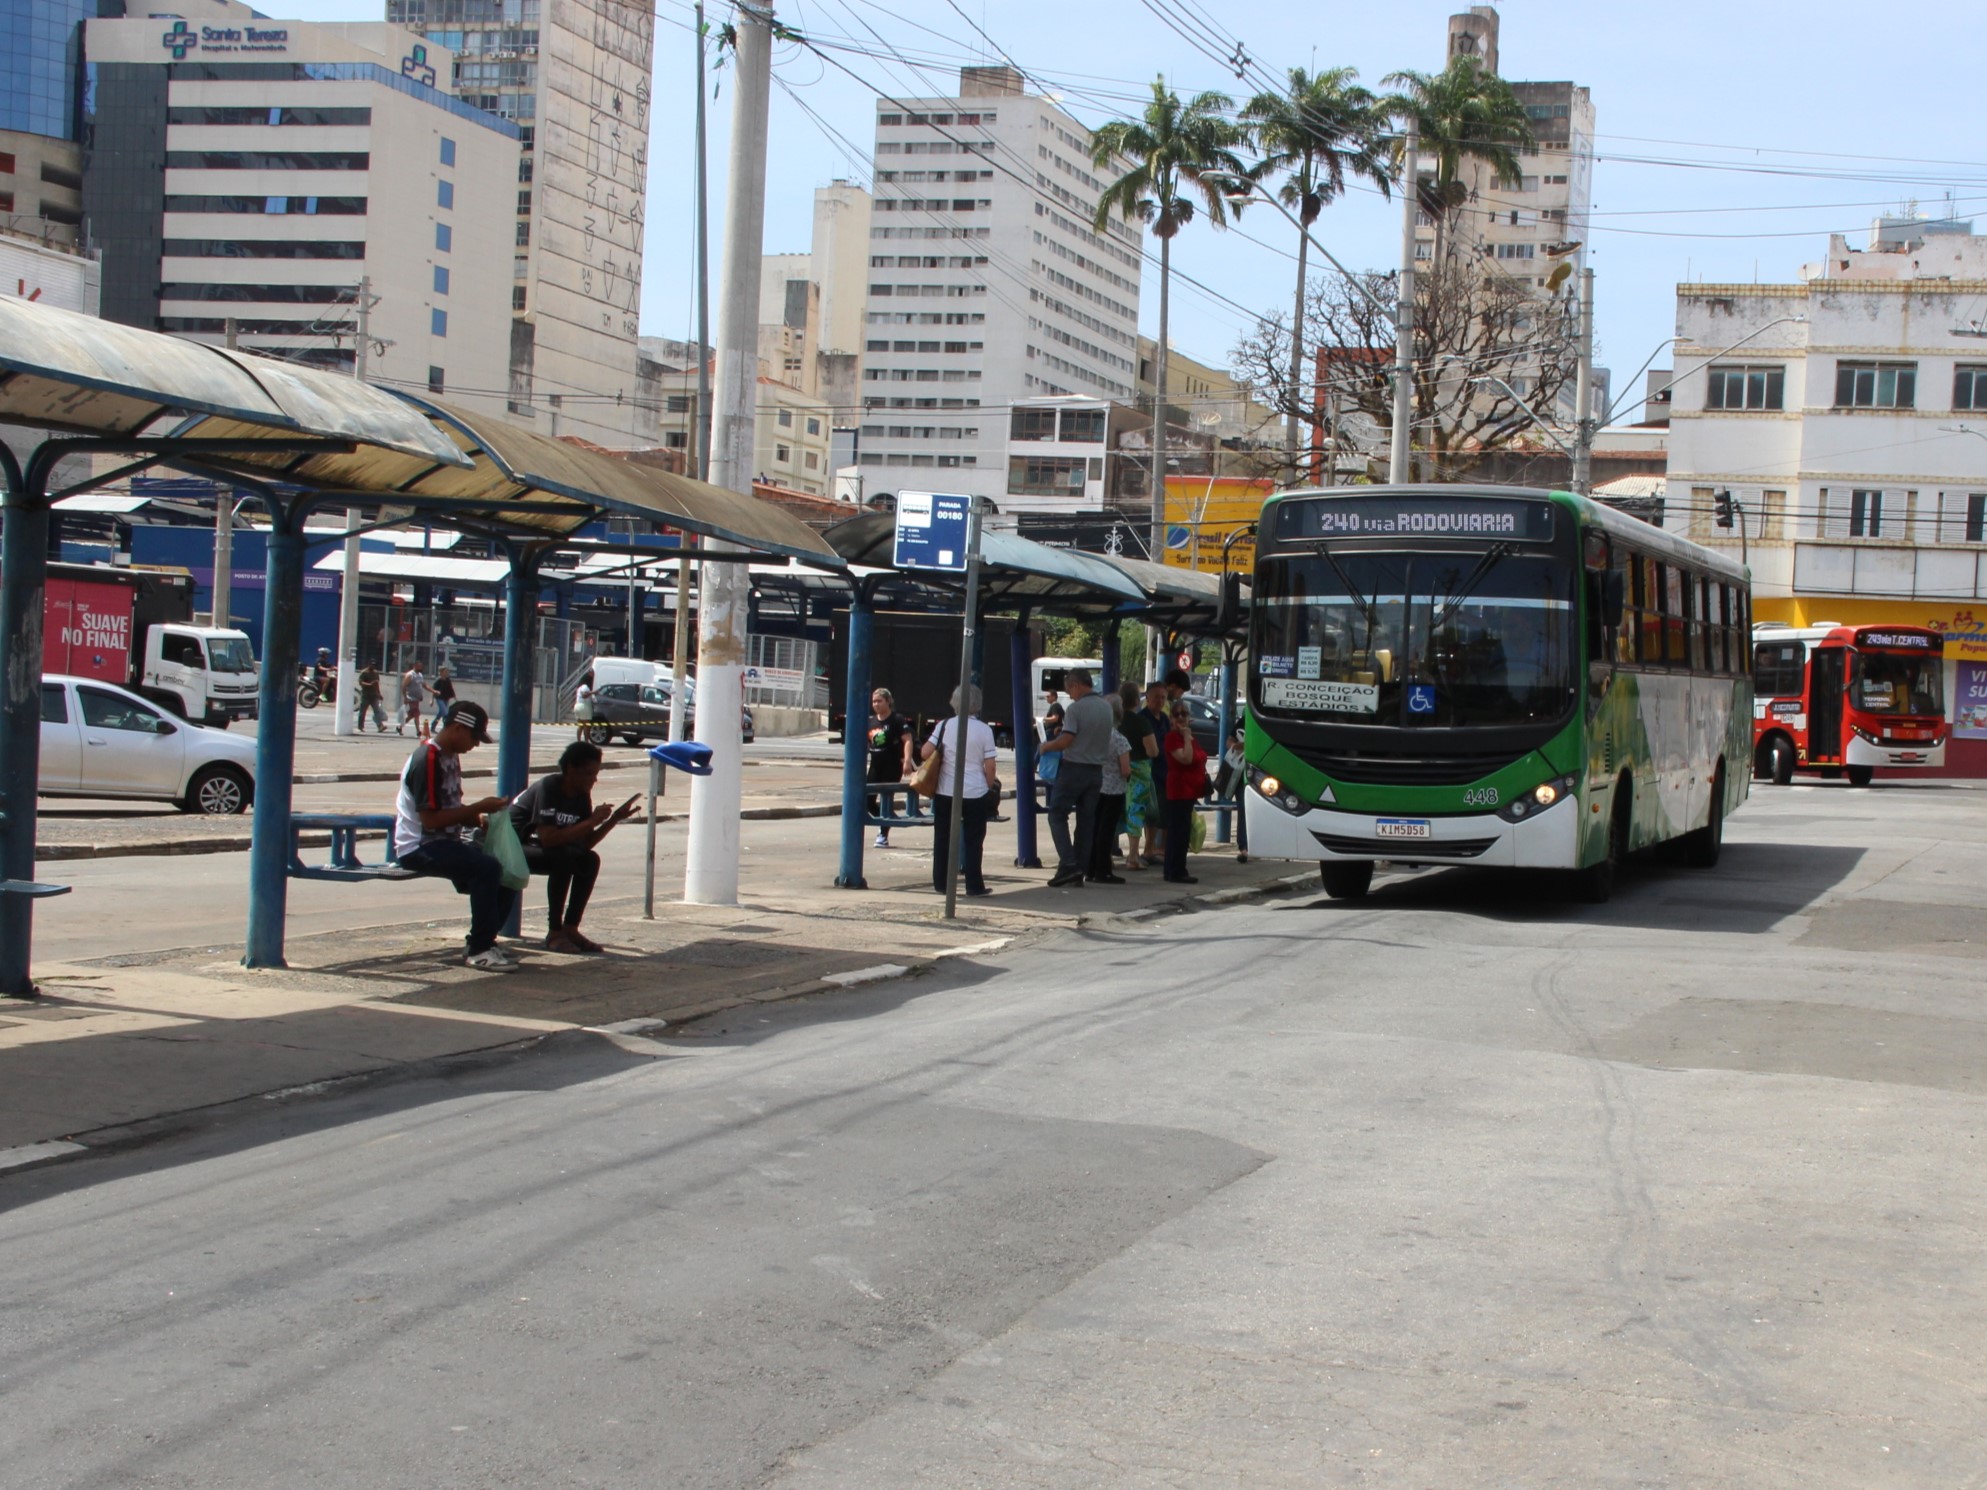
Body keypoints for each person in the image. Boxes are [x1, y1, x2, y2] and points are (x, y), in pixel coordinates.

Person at [392, 699, 517, 970]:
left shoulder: (450, 757)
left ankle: (484, 940)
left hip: (446, 842)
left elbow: (451, 807)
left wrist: (478, 819)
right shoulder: (428, 759)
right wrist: (478, 807)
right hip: (420, 846)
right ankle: (480, 949)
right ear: (458, 728)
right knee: (486, 869)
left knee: (507, 871)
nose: (475, 745)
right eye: (474, 738)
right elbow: (431, 820)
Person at [510, 739, 636, 955]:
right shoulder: (549, 787)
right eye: (589, 773)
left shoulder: (581, 795)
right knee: (563, 857)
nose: (594, 779)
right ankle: (554, 931)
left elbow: (584, 844)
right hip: (513, 845)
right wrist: (591, 821)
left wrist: (613, 820)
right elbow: (548, 839)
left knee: (589, 859)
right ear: (571, 769)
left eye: (596, 774)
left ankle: (571, 927)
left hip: (547, 848)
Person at [918, 683, 998, 897]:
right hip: (975, 791)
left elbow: (925, 752)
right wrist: (988, 785)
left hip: (946, 790)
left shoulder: (944, 725)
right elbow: (990, 766)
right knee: (974, 840)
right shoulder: (985, 730)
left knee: (943, 837)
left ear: (954, 702)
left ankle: (941, 883)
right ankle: (974, 885)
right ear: (977, 704)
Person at [1038, 667, 1113, 888]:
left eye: (1069, 690)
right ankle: (1078, 869)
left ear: (1076, 685)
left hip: (1074, 769)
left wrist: (1046, 746)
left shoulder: (1075, 709)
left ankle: (1069, 864)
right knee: (1086, 821)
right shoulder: (1106, 708)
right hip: (1096, 771)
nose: (1069, 695)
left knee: (1057, 814)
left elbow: (1066, 741)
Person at [1162, 700, 1210, 884]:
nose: (1181, 718)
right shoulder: (1173, 738)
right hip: (1179, 790)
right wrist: (1186, 737)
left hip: (1190, 791)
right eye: (1177, 714)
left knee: (1182, 831)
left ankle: (1175, 869)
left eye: (1184, 714)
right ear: (1171, 718)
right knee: (1178, 832)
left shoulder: (1189, 737)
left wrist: (1188, 737)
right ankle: (1176, 871)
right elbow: (1186, 758)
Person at [1087, 695, 1133, 884]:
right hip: (1114, 791)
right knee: (1106, 832)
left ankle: (1090, 868)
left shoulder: (1095, 736)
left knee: (1094, 828)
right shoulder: (1119, 739)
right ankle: (1103, 870)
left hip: (1096, 787)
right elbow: (1125, 769)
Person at [864, 686, 915, 848]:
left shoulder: (897, 720)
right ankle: (886, 821)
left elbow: (907, 740)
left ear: (888, 701)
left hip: (892, 765)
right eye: (874, 701)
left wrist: (907, 761)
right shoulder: (870, 721)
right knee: (867, 801)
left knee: (886, 798)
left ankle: (883, 835)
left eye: (879, 701)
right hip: (875, 765)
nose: (876, 704)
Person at [1115, 681, 1157, 870]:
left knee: (1113, 812)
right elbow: (1152, 751)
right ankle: (1133, 856)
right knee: (1135, 812)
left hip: (1114, 772)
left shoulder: (1114, 722)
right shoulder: (1141, 722)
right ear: (1136, 700)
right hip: (1139, 773)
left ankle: (1106, 855)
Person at [1138, 681, 1172, 864]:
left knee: (1164, 812)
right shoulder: (1142, 718)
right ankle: (1148, 849)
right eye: (1156, 697)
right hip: (1148, 770)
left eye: (1163, 698)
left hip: (1165, 771)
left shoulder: (1164, 719)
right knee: (1151, 813)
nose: (1160, 701)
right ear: (1148, 698)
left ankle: (1160, 849)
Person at [1218, 721, 1249, 862]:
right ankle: (1244, 846)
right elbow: (1229, 741)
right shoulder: (1244, 721)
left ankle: (1249, 845)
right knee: (1244, 808)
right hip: (1240, 774)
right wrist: (1236, 746)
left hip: (1258, 772)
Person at [355, 661, 388, 733]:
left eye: (374, 665)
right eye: (372, 665)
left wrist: (379, 694)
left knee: (377, 711)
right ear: (368, 665)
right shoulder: (364, 672)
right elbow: (361, 682)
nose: (373, 666)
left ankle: (380, 726)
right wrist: (369, 684)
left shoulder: (376, 673)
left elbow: (377, 684)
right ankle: (360, 727)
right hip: (366, 695)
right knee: (362, 712)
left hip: (374, 695)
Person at [399, 663, 428, 738]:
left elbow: (423, 685)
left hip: (417, 699)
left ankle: (399, 727)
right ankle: (418, 731)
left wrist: (433, 691)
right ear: (415, 666)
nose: (421, 668)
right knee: (416, 714)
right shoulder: (410, 675)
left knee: (411, 715)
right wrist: (405, 697)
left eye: (421, 666)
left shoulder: (420, 675)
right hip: (411, 698)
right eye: (419, 666)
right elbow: (403, 686)